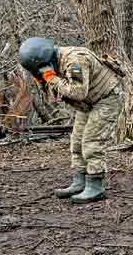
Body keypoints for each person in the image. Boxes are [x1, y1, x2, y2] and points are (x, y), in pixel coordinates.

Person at [19, 37, 122, 203]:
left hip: (106, 99)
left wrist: (51, 78)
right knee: (76, 142)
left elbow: (77, 92)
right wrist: (43, 82)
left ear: (45, 59)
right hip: (88, 103)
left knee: (91, 142)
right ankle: (79, 182)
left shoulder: (75, 60)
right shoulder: (53, 63)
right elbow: (54, 97)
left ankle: (95, 186)